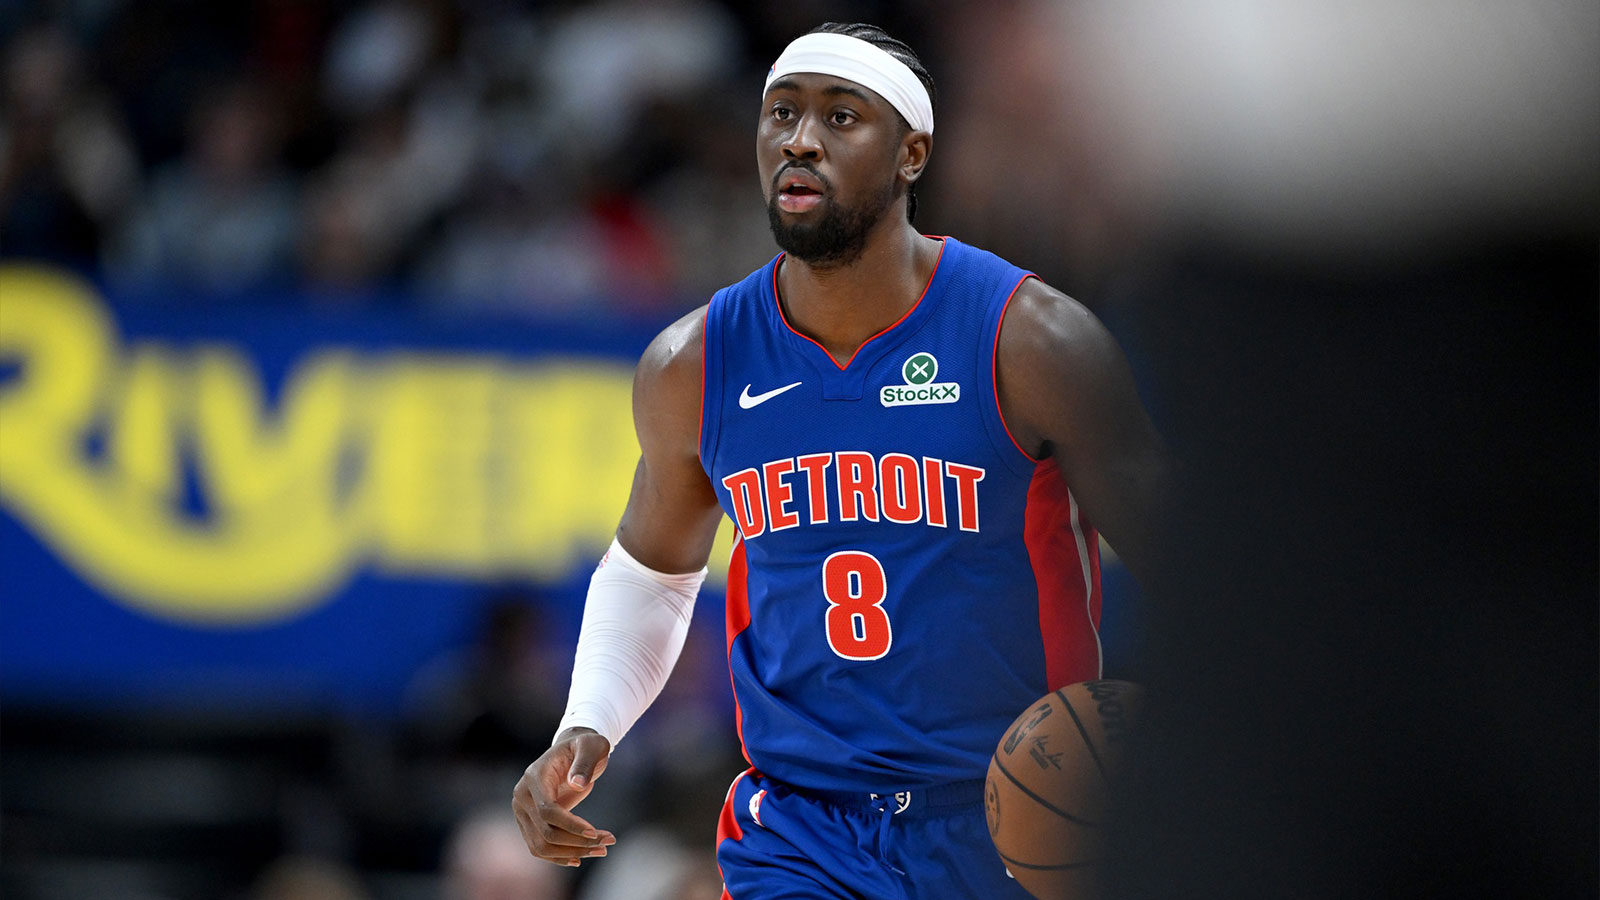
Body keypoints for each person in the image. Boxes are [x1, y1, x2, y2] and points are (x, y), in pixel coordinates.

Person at [512, 22, 1171, 899]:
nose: (800, 139)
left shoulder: (1030, 340)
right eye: (780, 113)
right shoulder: (694, 363)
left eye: (840, 116)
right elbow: (651, 571)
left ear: (911, 154)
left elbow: (1189, 562)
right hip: (800, 827)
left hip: (1009, 810)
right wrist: (587, 723)